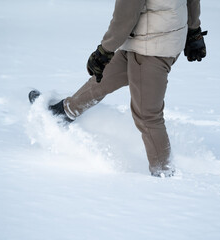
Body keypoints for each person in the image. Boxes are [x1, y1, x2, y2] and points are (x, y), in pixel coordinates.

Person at [46, 0, 207, 177]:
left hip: (149, 47)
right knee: (105, 78)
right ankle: (65, 112)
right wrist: (193, 31)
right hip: (158, 37)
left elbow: (125, 16)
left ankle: (163, 173)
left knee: (147, 116)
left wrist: (104, 51)